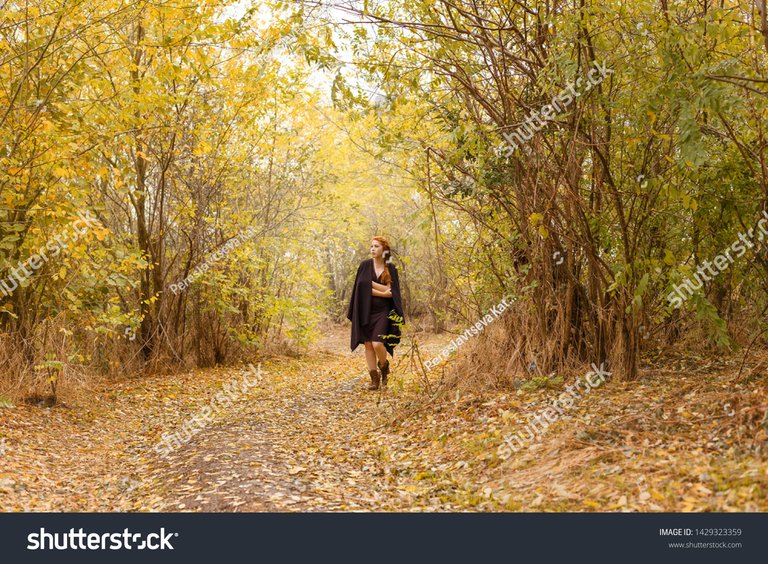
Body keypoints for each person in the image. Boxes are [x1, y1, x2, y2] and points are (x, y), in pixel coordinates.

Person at [346, 236, 405, 390]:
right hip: (365, 310)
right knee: (368, 345)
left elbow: (392, 292)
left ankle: (384, 366)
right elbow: (361, 289)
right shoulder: (364, 265)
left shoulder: (390, 267)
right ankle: (374, 378)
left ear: (383, 249)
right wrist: (382, 290)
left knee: (378, 343)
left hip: (383, 311)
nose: (372, 249)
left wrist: (370, 287)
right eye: (371, 246)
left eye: (376, 246)